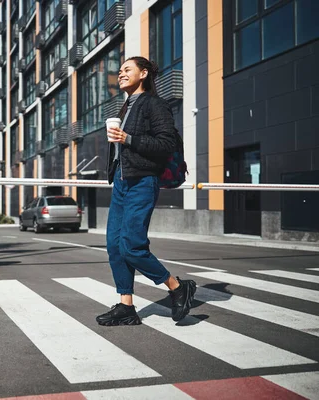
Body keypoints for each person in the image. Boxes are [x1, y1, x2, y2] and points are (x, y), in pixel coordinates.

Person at [96, 56, 196, 326]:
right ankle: (126, 305)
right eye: (119, 71)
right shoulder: (126, 107)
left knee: (131, 246)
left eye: (127, 69)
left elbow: (165, 143)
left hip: (142, 181)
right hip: (122, 181)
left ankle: (177, 287)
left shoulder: (155, 104)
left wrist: (127, 139)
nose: (121, 74)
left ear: (144, 73)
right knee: (115, 247)